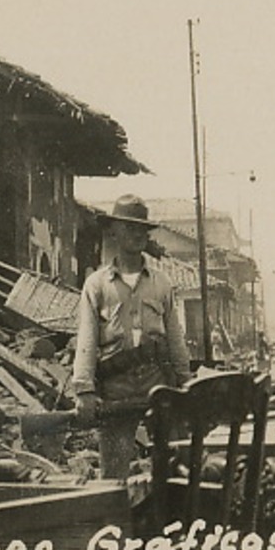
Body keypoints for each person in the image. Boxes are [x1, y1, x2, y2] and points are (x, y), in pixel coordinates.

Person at [70, 195, 190, 483]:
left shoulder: (161, 282)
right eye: (129, 228)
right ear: (113, 230)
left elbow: (175, 335)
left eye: (142, 229)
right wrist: (85, 390)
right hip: (115, 390)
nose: (137, 235)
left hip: (157, 384)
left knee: (172, 469)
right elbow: (86, 337)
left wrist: (185, 380)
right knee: (114, 476)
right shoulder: (96, 284)